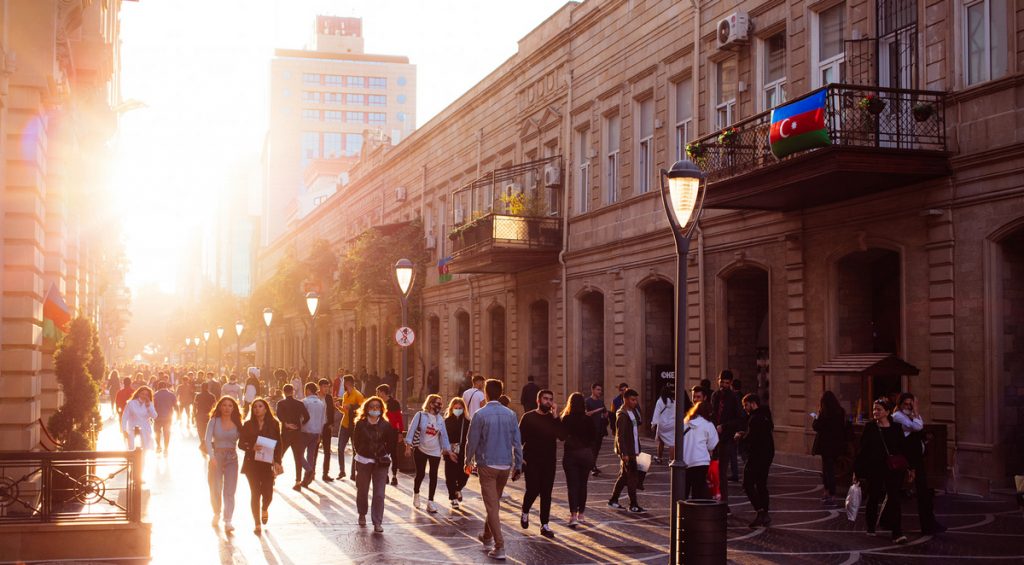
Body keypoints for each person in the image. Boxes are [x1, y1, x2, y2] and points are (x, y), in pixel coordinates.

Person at [465, 378, 523, 561]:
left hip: (487, 465)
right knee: (494, 503)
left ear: (486, 393)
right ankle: (487, 536)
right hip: (505, 465)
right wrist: (518, 465)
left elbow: (471, 441)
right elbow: (517, 443)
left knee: (492, 506)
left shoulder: (480, 415)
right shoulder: (511, 414)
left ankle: (500, 546)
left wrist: (467, 460)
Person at [855, 398, 908, 544]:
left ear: (887, 412)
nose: (875, 412)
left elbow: (903, 448)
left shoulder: (896, 428)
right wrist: (857, 471)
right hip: (875, 468)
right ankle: (871, 527)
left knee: (894, 499)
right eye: (874, 409)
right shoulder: (870, 427)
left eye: (878, 409)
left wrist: (909, 467)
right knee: (873, 497)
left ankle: (897, 533)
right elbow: (863, 450)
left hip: (893, 468)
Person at [893, 393, 944, 534]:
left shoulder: (912, 416)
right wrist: (916, 412)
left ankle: (929, 524)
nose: (909, 406)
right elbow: (917, 427)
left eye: (911, 404)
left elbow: (919, 425)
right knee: (894, 490)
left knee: (924, 491)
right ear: (900, 404)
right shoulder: (898, 416)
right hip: (905, 459)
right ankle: (889, 522)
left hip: (916, 460)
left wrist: (915, 413)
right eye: (906, 404)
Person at [519, 389, 563, 538]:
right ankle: (525, 511)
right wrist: (519, 459)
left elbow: (562, 436)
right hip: (531, 461)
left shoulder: (553, 418)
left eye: (551, 399)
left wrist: (557, 416)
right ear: (539, 401)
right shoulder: (528, 417)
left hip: (549, 462)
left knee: (546, 494)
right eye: (545, 399)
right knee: (532, 490)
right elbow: (519, 440)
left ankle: (545, 525)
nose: (549, 402)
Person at [238, 398, 283, 536]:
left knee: (268, 493)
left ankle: (265, 508)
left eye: (260, 406)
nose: (257, 409)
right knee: (255, 493)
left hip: (267, 463)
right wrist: (251, 446)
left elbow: (279, 443)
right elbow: (240, 444)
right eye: (255, 407)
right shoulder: (248, 424)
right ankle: (257, 523)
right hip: (252, 463)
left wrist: (277, 461)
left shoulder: (274, 424)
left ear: (265, 408)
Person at [352, 396, 397, 533]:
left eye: (377, 407)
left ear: (381, 409)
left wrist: (384, 453)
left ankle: (377, 522)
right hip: (364, 461)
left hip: (380, 463)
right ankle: (362, 513)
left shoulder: (386, 425)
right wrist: (361, 452)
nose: (374, 409)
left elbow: (391, 443)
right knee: (363, 490)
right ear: (366, 409)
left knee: (379, 494)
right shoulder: (360, 424)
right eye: (371, 407)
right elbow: (356, 442)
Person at [405, 394, 453, 513]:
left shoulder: (440, 419)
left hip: (435, 451)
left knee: (433, 475)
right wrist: (408, 446)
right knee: (420, 474)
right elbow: (411, 430)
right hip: (421, 449)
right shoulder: (420, 415)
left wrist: (448, 450)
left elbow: (444, 436)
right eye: (437, 403)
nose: (439, 406)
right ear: (431, 404)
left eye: (441, 404)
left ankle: (430, 502)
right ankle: (416, 494)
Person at [735, 393, 774, 527]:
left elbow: (751, 438)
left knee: (747, 484)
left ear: (752, 403)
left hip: (756, 455)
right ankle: (765, 514)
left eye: (746, 405)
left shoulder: (754, 418)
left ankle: (760, 511)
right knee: (762, 484)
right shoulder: (766, 415)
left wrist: (740, 437)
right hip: (767, 454)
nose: (745, 408)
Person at [205, 395, 242, 532]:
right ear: (220, 407)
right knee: (215, 487)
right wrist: (212, 456)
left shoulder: (238, 423)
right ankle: (216, 512)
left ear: (234, 408)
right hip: (217, 456)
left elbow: (244, 441)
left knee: (230, 490)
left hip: (232, 457)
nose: (227, 408)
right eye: (224, 405)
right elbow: (207, 439)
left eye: (230, 405)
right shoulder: (214, 421)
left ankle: (228, 520)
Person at [560, 392, 596, 527]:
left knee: (572, 485)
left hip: (571, 454)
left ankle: (573, 515)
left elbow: (561, 437)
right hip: (586, 454)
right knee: (583, 485)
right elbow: (594, 437)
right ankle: (582, 514)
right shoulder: (588, 419)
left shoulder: (567, 419)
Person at [608, 388, 644, 513]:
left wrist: (637, 408)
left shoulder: (632, 411)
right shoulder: (622, 414)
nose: (635, 402)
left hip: (633, 449)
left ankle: (613, 500)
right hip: (627, 451)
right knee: (631, 477)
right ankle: (633, 504)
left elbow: (639, 422)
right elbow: (620, 436)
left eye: (636, 400)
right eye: (633, 400)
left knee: (625, 476)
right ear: (625, 399)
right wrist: (624, 453)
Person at [710, 370, 743, 504]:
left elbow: (740, 419)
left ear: (730, 383)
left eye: (726, 383)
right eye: (721, 382)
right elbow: (712, 413)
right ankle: (714, 497)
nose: (723, 385)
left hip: (726, 439)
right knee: (712, 470)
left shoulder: (734, 398)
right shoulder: (715, 395)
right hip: (713, 438)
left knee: (722, 472)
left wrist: (725, 426)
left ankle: (724, 502)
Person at [811, 391, 847, 507]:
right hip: (836, 445)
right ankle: (828, 494)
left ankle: (830, 494)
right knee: (830, 469)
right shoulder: (840, 411)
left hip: (825, 445)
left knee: (827, 470)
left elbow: (816, 427)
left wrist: (816, 417)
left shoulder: (824, 412)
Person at [681, 400, 719, 499]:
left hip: (684, 462)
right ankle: (696, 513)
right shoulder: (708, 424)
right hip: (701, 462)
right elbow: (712, 445)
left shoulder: (685, 422)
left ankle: (681, 513)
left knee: (683, 492)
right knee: (698, 493)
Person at [275, 383, 310, 488]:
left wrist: (286, 424)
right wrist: (299, 425)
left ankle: (273, 476)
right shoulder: (299, 404)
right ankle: (298, 481)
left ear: (283, 392)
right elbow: (307, 417)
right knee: (298, 457)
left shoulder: (281, 403)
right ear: (293, 392)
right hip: (297, 434)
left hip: (285, 433)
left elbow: (279, 416)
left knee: (279, 456)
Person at [336, 374, 365, 480]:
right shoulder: (345, 395)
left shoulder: (358, 395)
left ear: (349, 383)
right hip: (344, 424)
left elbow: (362, 409)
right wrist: (339, 407)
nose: (343, 384)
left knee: (355, 450)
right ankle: (342, 471)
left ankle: (353, 473)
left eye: (344, 382)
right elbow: (345, 411)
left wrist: (351, 406)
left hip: (354, 426)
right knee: (340, 448)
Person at [444, 397, 470, 509]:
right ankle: (452, 498)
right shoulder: (446, 421)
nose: (458, 410)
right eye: (456, 408)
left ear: (464, 409)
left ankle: (458, 489)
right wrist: (447, 450)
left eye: (460, 408)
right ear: (451, 408)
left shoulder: (468, 422)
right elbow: (443, 437)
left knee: (465, 474)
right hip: (450, 451)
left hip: (464, 451)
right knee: (450, 475)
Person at [298, 382, 326, 489]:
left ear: (308, 390)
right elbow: (323, 420)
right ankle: (306, 480)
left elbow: (301, 418)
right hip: (316, 432)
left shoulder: (305, 402)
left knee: (298, 454)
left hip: (305, 431)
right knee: (310, 455)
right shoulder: (320, 403)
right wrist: (320, 433)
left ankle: (309, 471)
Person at [376, 384, 405, 486]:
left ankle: (394, 476)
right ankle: (385, 474)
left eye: (378, 392)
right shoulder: (378, 403)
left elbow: (399, 418)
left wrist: (400, 432)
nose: (377, 394)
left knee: (393, 454)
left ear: (383, 392)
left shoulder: (394, 403)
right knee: (383, 453)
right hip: (381, 431)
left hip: (392, 431)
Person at [122, 386, 158, 451]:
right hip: (132, 429)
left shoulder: (149, 404)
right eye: (142, 394)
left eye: (146, 394)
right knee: (132, 449)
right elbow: (124, 417)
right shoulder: (131, 403)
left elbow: (155, 416)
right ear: (138, 393)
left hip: (145, 430)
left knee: (145, 449)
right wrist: (124, 430)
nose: (144, 396)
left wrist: (148, 407)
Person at [584, 383, 609, 476]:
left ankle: (593, 466)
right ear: (593, 390)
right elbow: (586, 414)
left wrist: (606, 415)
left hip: (600, 430)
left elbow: (605, 413)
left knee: (597, 449)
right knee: (592, 449)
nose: (600, 392)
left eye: (600, 390)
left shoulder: (600, 402)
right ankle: (592, 467)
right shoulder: (587, 401)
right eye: (598, 390)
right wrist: (597, 411)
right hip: (591, 430)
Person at [317, 378, 338, 482]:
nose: (326, 389)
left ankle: (325, 474)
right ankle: (311, 473)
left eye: (327, 387)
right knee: (314, 451)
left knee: (327, 451)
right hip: (316, 427)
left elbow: (331, 410)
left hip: (326, 426)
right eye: (324, 386)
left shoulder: (329, 398)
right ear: (319, 387)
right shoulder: (315, 397)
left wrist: (331, 424)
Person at [652, 385, 676, 464]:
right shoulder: (674, 402)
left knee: (661, 442)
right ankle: (671, 460)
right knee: (672, 443)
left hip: (662, 425)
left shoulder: (660, 401)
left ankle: (659, 458)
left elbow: (656, 413)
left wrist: (653, 424)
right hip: (672, 425)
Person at [152, 381, 177, 452]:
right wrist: (178, 416)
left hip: (157, 417)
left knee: (157, 432)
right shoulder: (172, 395)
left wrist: (150, 417)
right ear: (166, 387)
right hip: (168, 418)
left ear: (158, 387)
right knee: (167, 433)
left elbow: (152, 407)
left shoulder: (155, 395)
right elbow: (175, 406)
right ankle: (166, 448)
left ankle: (158, 446)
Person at [194, 382, 216, 448]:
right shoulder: (212, 396)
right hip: (209, 415)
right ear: (207, 388)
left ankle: (202, 442)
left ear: (201, 387)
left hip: (200, 415)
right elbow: (215, 406)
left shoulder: (198, 395)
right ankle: (207, 442)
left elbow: (195, 406)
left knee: (200, 430)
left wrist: (193, 415)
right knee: (208, 430)